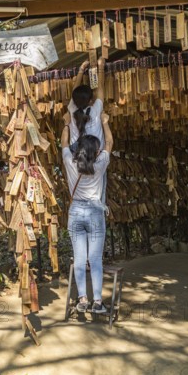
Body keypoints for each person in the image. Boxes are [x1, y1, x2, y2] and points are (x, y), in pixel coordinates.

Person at [61, 111, 113, 313]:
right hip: (94, 213)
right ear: (96, 151)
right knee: (95, 259)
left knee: (80, 258)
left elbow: (64, 144)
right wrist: (105, 122)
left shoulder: (69, 163)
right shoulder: (100, 165)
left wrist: (66, 124)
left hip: (75, 212)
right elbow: (109, 142)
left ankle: (82, 300)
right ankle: (97, 302)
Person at [66, 57, 107, 204]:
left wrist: (81, 70)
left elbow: (74, 92)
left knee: (79, 186)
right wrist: (100, 68)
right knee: (97, 190)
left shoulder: (72, 109)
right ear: (91, 100)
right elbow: (100, 89)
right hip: (93, 152)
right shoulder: (95, 111)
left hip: (76, 152)